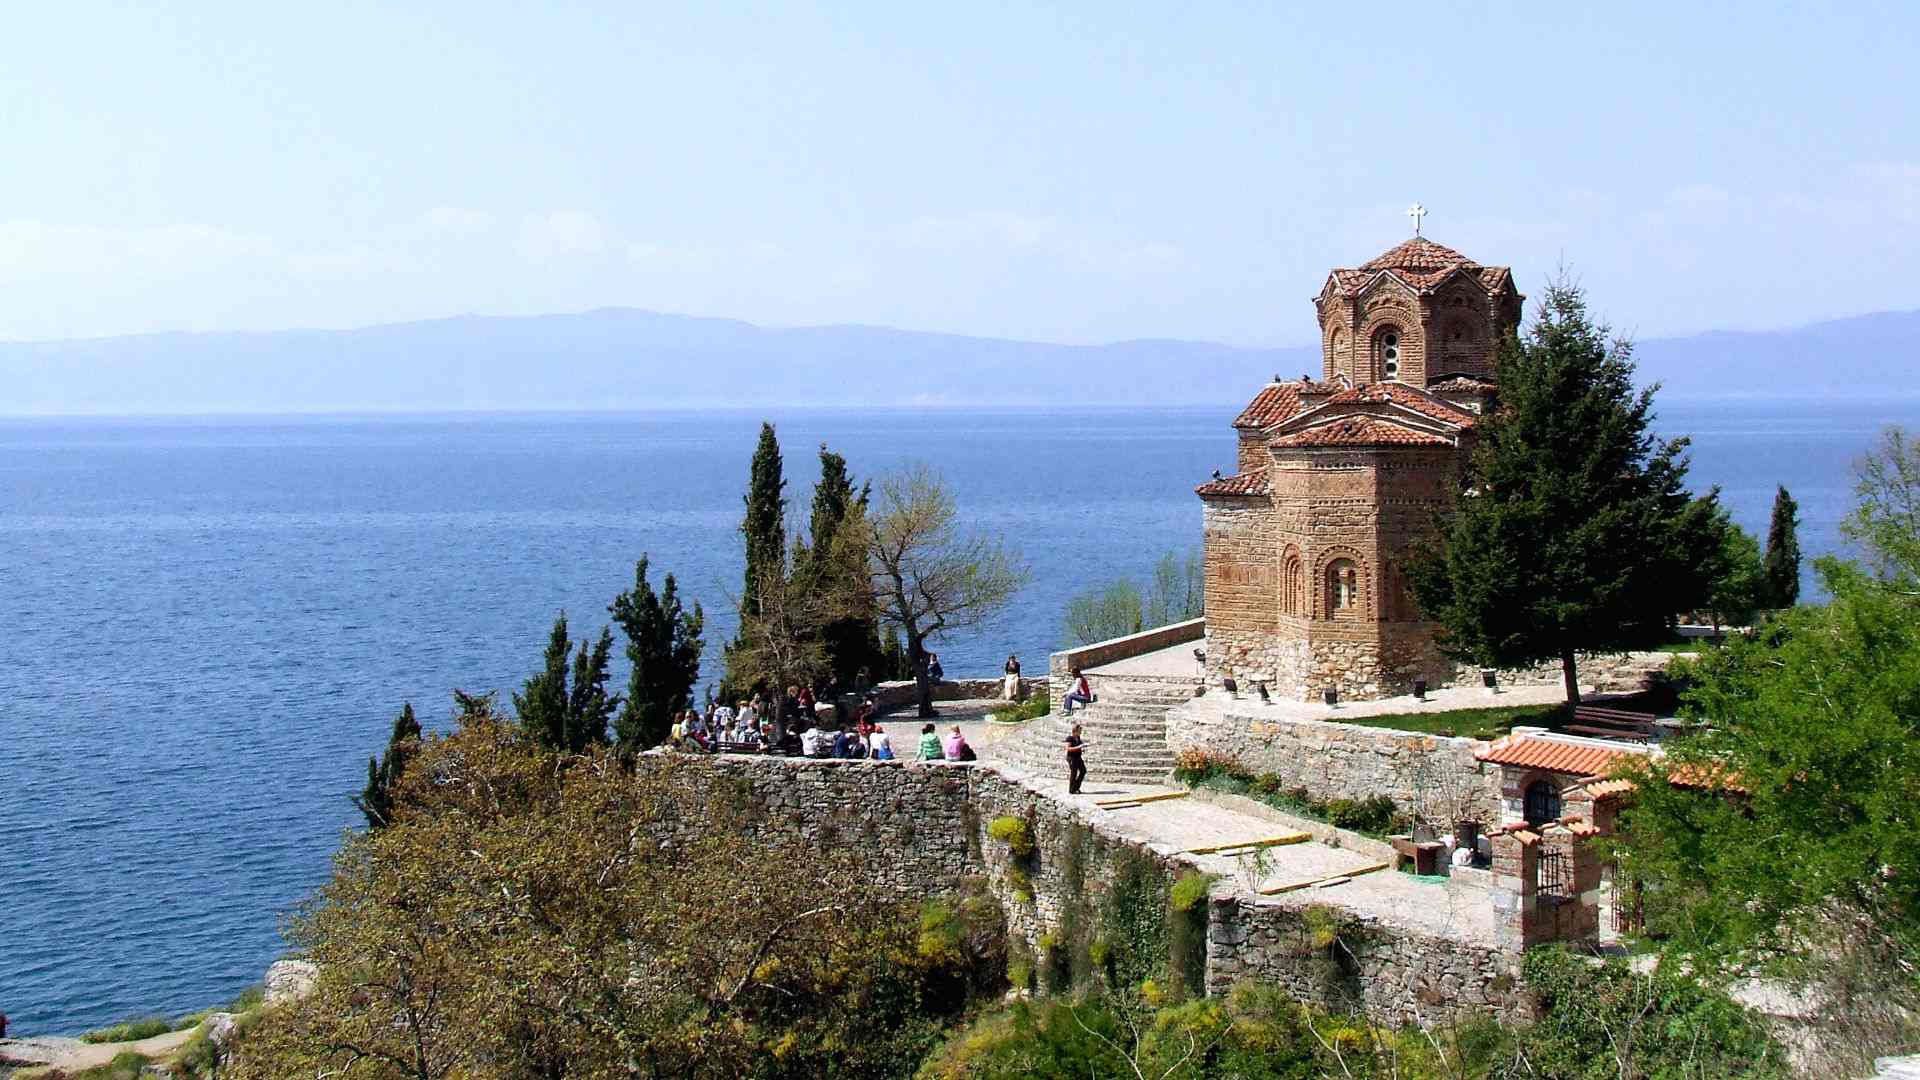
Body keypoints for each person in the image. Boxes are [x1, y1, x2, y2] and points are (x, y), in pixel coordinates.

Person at [1065, 722, 1088, 794]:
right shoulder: (1070, 738)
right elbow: (1068, 748)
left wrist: (1083, 746)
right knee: (1074, 773)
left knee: (1083, 771)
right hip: (1072, 757)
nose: (1081, 732)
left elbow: (1080, 746)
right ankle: (1072, 789)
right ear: (1075, 731)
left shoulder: (1078, 738)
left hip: (1078, 757)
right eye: (1079, 731)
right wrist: (1079, 747)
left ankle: (1076, 786)